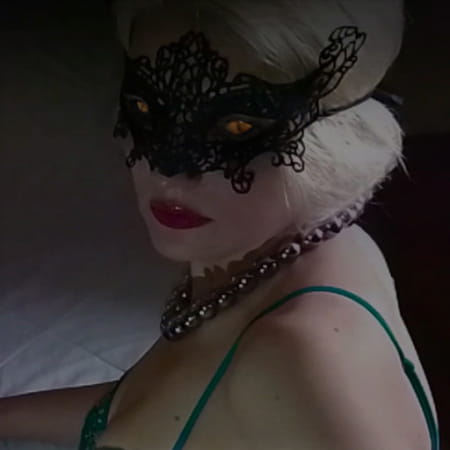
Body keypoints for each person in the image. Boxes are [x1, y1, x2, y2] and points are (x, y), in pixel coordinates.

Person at [0, 0, 441, 449]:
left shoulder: (302, 352)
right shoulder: (295, 251)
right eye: (146, 109)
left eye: (236, 128)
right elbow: (143, 411)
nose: (168, 173)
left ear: (332, 140)